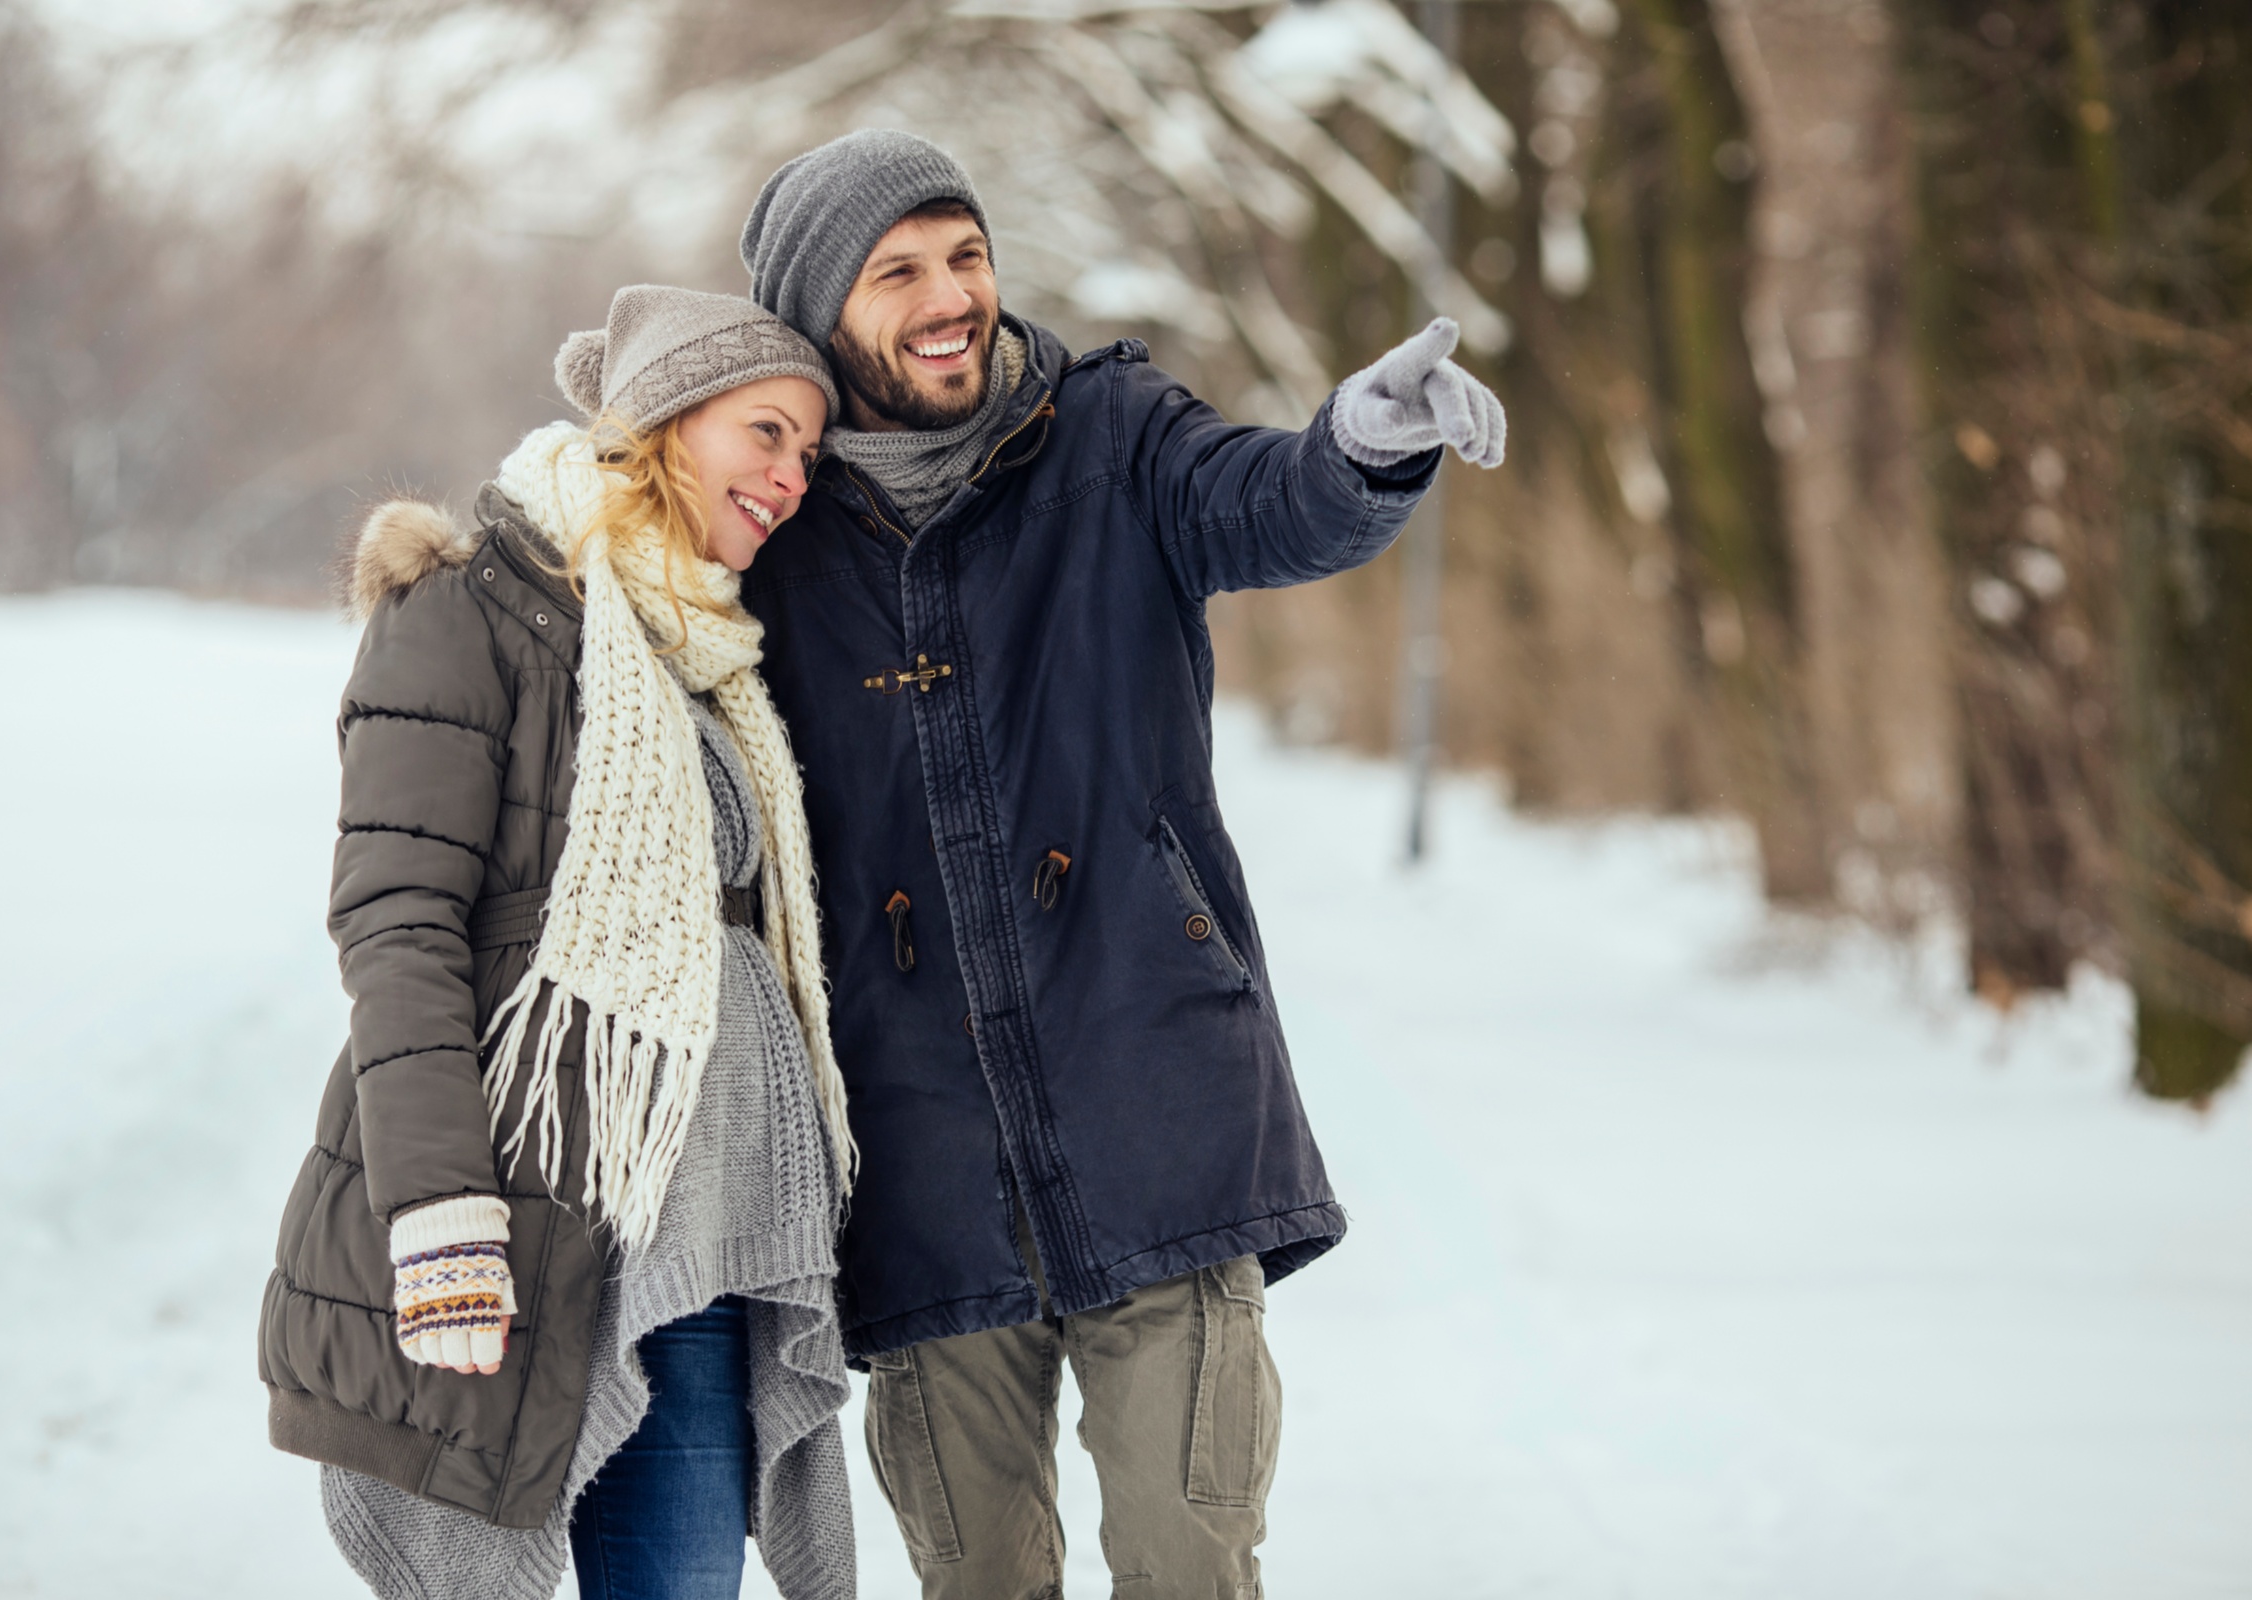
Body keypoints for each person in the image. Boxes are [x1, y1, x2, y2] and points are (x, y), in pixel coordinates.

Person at [734, 129, 1507, 1597]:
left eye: (964, 253)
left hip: (1156, 1101)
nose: (949, 293)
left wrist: (1360, 441)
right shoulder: (772, 528)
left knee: (1187, 1561)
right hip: (916, 1163)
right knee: (980, 1579)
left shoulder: (1111, 434)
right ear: (814, 314)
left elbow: (1266, 501)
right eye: (896, 273)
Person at [257, 286, 862, 1600]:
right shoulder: (470, 614)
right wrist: (440, 1216)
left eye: (809, 452)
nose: (791, 475)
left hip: (693, 1254)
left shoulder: (714, 663)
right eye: (768, 432)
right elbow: (396, 923)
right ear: (663, 423)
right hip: (525, 1239)